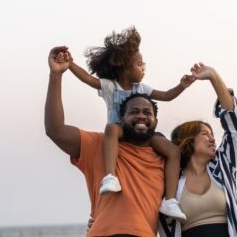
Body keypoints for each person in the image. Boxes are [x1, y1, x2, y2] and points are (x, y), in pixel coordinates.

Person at [66, 27, 194, 220]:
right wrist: (70, 64)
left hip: (142, 133)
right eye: (140, 64)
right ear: (126, 67)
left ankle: (169, 201)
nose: (144, 68)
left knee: (172, 151)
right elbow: (87, 78)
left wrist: (182, 86)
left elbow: (166, 96)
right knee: (111, 128)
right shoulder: (110, 86)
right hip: (120, 131)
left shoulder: (141, 88)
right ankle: (110, 177)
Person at [45, 46, 172, 236]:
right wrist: (56, 75)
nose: (141, 117)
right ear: (121, 119)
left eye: (147, 113)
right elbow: (55, 130)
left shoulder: (165, 157)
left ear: (156, 121)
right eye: (134, 112)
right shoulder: (100, 145)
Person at [159, 63, 237, 237]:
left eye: (212, 134)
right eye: (205, 134)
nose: (213, 138)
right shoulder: (171, 179)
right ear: (188, 140)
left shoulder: (223, 166)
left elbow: (234, 128)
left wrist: (213, 75)